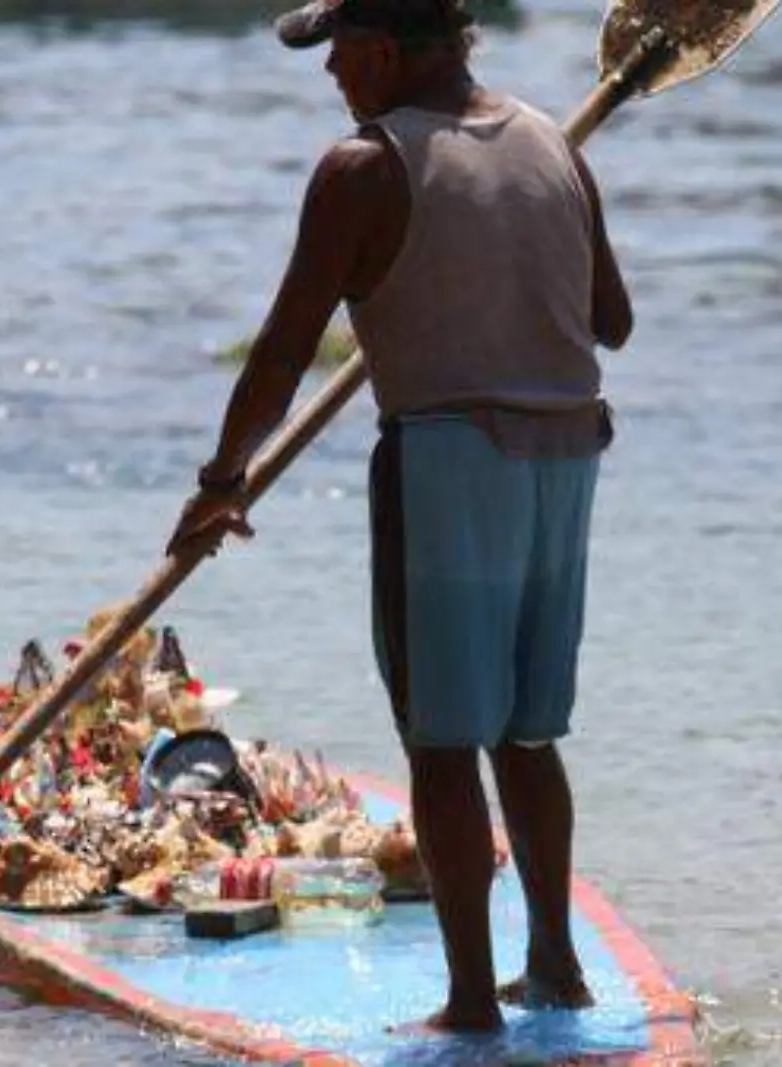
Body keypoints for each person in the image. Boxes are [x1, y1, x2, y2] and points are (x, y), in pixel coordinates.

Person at [166, 0, 632, 1034]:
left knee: (440, 736)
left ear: (384, 51)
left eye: (339, 53)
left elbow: (285, 349)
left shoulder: (362, 168)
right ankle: (554, 963)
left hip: (449, 458)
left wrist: (220, 477)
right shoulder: (553, 142)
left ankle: (470, 1002)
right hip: (567, 454)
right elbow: (612, 321)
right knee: (526, 728)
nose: (331, 73)